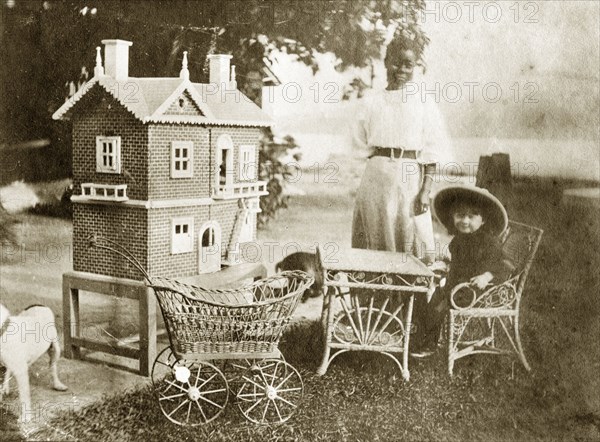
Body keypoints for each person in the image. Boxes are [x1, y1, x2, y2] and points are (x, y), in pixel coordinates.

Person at [352, 37, 452, 262]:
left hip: (409, 176)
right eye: (396, 63)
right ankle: (376, 295)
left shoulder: (423, 102)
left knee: (412, 234)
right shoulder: (371, 101)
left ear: (415, 66)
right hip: (376, 178)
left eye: (408, 64)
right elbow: (358, 144)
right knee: (375, 238)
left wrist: (425, 190)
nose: (401, 69)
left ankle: (410, 296)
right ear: (386, 62)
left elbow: (432, 150)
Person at [411, 185, 512, 356]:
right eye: (460, 215)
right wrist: (445, 267)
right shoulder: (459, 240)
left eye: (471, 216)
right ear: (453, 216)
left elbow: (505, 266)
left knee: (439, 305)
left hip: (479, 291)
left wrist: (486, 276)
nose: (465, 221)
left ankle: (429, 343)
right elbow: (458, 264)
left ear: (483, 220)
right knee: (430, 295)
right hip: (458, 286)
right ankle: (418, 334)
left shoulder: (489, 242)